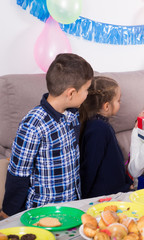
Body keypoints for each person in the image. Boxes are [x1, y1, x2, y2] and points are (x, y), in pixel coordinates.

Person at [1, 53, 93, 217]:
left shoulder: (72, 115)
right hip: (43, 212)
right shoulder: (33, 125)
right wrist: (9, 214)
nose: (87, 94)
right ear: (71, 93)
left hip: (72, 206)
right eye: (86, 90)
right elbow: (18, 174)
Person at [79, 76, 133, 198]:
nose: (120, 103)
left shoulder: (101, 125)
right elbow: (90, 167)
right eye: (118, 101)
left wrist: (127, 183)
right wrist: (82, 198)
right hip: (105, 195)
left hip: (118, 189)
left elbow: (116, 161)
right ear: (106, 106)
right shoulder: (98, 128)